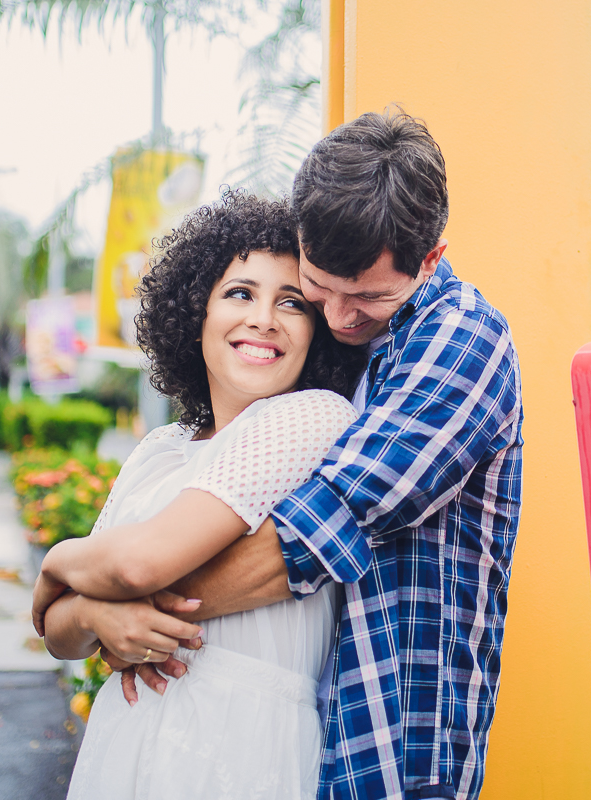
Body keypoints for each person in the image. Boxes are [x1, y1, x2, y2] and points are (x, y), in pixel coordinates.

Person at [43, 110, 524, 800]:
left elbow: (317, 538)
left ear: (432, 258)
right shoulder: (167, 446)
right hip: (287, 739)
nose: (339, 319)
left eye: (369, 298)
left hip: (396, 743)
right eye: (321, 288)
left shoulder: (456, 343)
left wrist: (80, 581)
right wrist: (93, 614)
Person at [35, 190, 365, 799]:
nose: (263, 318)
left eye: (291, 303)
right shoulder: (160, 447)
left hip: (240, 753)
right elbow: (61, 634)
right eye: (240, 293)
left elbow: (136, 564)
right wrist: (92, 613)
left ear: (316, 331)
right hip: (125, 744)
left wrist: (58, 562)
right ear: (195, 315)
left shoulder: (312, 418)